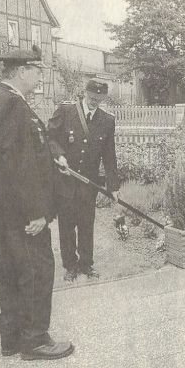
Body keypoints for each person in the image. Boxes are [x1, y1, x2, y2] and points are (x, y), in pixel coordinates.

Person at [0, 46, 74, 360]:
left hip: (5, 211)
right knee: (37, 269)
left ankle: (11, 339)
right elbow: (18, 164)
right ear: (22, 70)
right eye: (36, 70)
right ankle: (35, 340)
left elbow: (27, 149)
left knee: (10, 271)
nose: (39, 76)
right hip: (23, 213)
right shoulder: (12, 105)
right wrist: (36, 212)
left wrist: (54, 155)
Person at [47, 79, 120, 281]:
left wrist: (113, 186)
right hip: (66, 181)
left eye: (99, 99)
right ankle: (70, 265)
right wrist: (59, 155)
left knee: (87, 224)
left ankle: (86, 264)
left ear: (104, 98)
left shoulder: (107, 120)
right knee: (67, 225)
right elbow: (50, 137)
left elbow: (109, 155)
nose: (95, 101)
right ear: (85, 93)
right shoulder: (66, 111)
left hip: (89, 184)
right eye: (92, 97)